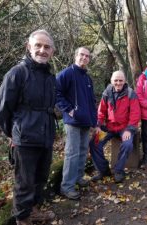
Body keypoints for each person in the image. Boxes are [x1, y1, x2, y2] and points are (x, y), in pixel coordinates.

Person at [0, 29, 56, 225]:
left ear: (52, 51)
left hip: (46, 135)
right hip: (25, 138)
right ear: (29, 47)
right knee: (24, 182)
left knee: (41, 177)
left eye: (47, 47)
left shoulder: (49, 77)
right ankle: (23, 219)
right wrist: (11, 133)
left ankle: (34, 210)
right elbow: (0, 109)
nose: (42, 50)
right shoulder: (17, 73)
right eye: (38, 45)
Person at [56, 47, 97, 200]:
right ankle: (67, 186)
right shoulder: (66, 73)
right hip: (73, 122)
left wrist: (94, 121)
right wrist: (69, 110)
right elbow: (56, 92)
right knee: (71, 153)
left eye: (87, 56)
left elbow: (91, 102)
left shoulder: (87, 78)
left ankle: (78, 178)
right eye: (81, 55)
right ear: (75, 56)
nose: (84, 58)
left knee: (82, 151)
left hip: (86, 122)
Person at [89, 71, 141, 183]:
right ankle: (103, 171)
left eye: (120, 80)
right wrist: (98, 125)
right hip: (109, 127)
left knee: (127, 144)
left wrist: (129, 129)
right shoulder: (107, 92)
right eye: (116, 80)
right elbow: (101, 111)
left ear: (125, 81)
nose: (118, 83)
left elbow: (135, 114)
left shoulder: (131, 94)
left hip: (125, 128)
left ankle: (118, 170)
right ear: (112, 81)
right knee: (94, 143)